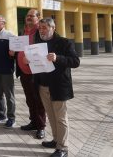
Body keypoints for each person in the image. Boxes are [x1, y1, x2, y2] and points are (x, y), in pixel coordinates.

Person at [33, 18, 80, 157]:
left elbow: (75, 62)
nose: (41, 30)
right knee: (51, 116)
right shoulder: (39, 43)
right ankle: (56, 140)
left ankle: (63, 148)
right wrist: (29, 60)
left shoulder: (64, 42)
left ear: (53, 28)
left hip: (58, 86)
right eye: (40, 28)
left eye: (44, 28)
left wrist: (57, 58)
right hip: (42, 85)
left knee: (60, 118)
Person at [16, 9, 46, 139]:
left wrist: (32, 59)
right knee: (29, 99)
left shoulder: (41, 32)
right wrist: (14, 52)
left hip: (36, 72)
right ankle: (33, 122)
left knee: (38, 101)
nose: (28, 17)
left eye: (31, 16)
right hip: (24, 72)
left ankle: (41, 127)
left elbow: (45, 51)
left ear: (38, 18)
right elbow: (20, 49)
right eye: (27, 15)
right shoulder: (23, 31)